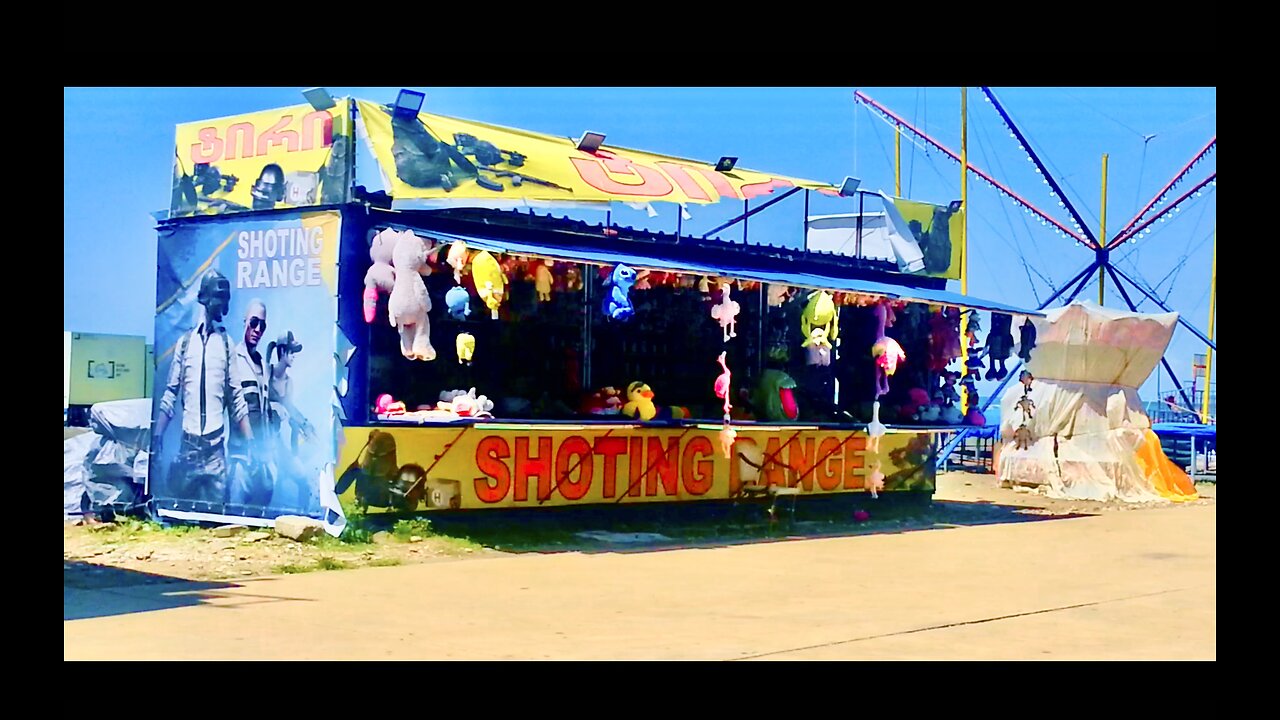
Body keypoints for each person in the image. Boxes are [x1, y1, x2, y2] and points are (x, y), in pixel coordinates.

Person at [153, 271, 253, 504]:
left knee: (215, 518)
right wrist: (157, 436)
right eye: (219, 299)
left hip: (215, 452)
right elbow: (170, 394)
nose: (221, 306)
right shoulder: (185, 343)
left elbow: (237, 400)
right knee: (183, 518)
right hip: (188, 448)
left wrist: (250, 442)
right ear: (207, 299)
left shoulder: (227, 345)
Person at [228, 299, 272, 507]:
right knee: (236, 515)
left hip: (262, 457)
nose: (257, 329)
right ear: (244, 321)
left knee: (261, 514)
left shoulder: (262, 363)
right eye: (254, 322)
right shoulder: (233, 359)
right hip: (240, 458)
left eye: (262, 325)